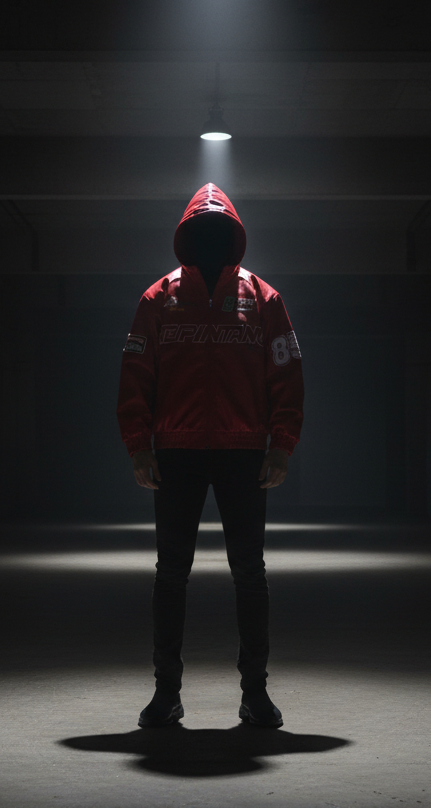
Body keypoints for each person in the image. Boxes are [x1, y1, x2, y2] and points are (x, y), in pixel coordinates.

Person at [116, 183, 304, 729]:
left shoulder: (263, 300)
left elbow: (286, 373)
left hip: (244, 451)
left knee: (249, 572)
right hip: (175, 451)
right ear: (185, 236)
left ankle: (256, 695)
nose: (211, 240)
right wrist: (139, 446)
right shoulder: (158, 299)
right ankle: (165, 694)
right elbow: (136, 376)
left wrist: (281, 445)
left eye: (220, 232)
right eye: (201, 232)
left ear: (236, 237)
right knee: (171, 573)